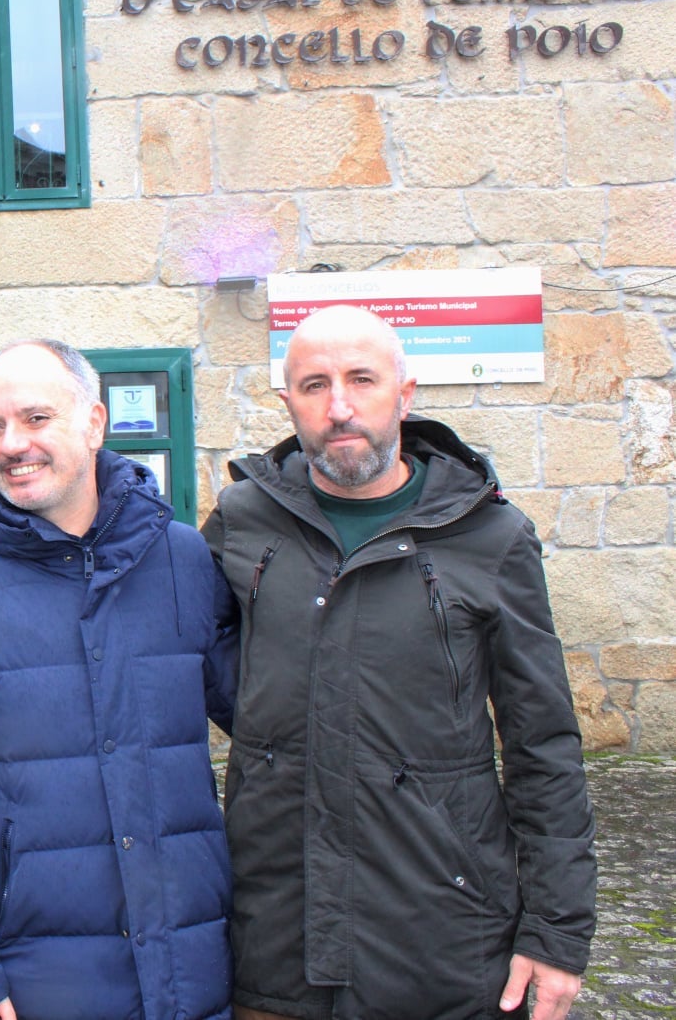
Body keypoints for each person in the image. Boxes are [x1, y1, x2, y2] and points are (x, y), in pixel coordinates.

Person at [202, 305, 596, 1020]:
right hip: (274, 937)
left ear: (406, 395)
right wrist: (274, 734)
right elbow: (193, 653)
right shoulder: (242, 519)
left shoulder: (491, 536)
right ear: (288, 402)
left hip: (440, 938)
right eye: (314, 386)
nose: (340, 407)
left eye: (362, 380)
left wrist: (557, 931)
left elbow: (543, 745)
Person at [0, 339, 239, 1020]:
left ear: (94, 423)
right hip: (35, 981)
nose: (12, 443)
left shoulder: (181, 561)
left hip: (190, 967)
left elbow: (274, 721)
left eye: (35, 418)